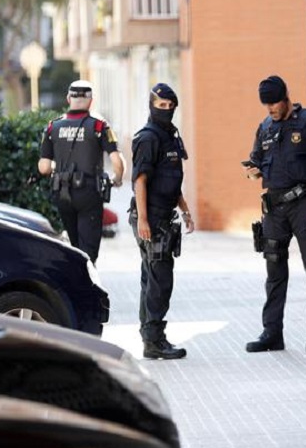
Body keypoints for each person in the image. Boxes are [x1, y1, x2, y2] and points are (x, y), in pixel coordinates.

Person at [243, 75, 306, 353]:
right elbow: (256, 165)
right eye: (266, 104)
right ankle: (272, 333)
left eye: (274, 103)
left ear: (286, 97)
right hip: (274, 208)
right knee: (274, 272)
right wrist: (252, 171)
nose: (270, 109)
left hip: (304, 203)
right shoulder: (265, 127)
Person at [129, 83, 195, 360]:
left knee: (153, 277)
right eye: (161, 106)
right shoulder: (148, 138)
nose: (166, 111)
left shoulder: (169, 136)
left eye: (170, 107)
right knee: (159, 281)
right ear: (152, 106)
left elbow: (170, 180)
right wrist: (143, 220)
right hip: (151, 217)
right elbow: (140, 181)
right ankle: (154, 340)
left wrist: (185, 209)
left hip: (164, 215)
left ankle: (151, 337)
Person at [38, 80, 125, 264]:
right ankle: (87, 287)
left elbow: (44, 167)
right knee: (88, 251)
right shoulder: (99, 126)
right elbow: (116, 160)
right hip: (89, 193)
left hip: (62, 193)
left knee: (75, 247)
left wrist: (60, 169)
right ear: (91, 100)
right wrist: (117, 178)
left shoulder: (53, 126)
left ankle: (76, 283)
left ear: (68, 98)